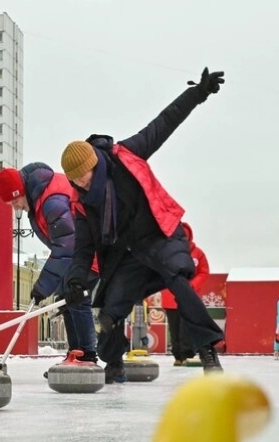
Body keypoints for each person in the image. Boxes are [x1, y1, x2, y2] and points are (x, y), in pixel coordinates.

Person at [60, 66, 227, 383]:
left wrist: (199, 92)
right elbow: (83, 250)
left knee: (178, 280)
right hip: (128, 254)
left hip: (159, 234)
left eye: (86, 175)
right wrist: (75, 280)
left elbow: (163, 124)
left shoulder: (125, 155)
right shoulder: (80, 203)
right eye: (76, 180)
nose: (83, 184)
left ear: (95, 163)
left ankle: (208, 352)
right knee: (108, 313)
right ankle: (114, 363)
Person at [0, 164, 98, 362]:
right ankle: (76, 354)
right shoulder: (38, 197)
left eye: (15, 201)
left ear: (22, 191)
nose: (15, 207)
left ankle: (86, 356)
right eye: (11, 204)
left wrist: (42, 287)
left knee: (76, 295)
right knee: (65, 296)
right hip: (81, 253)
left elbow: (66, 246)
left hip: (92, 252)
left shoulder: (51, 202)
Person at [159, 222, 209, 366]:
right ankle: (178, 356)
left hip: (189, 298)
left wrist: (191, 286)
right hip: (170, 297)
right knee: (174, 329)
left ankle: (188, 354)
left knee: (186, 328)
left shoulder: (198, 253)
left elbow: (204, 272)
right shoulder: (166, 252)